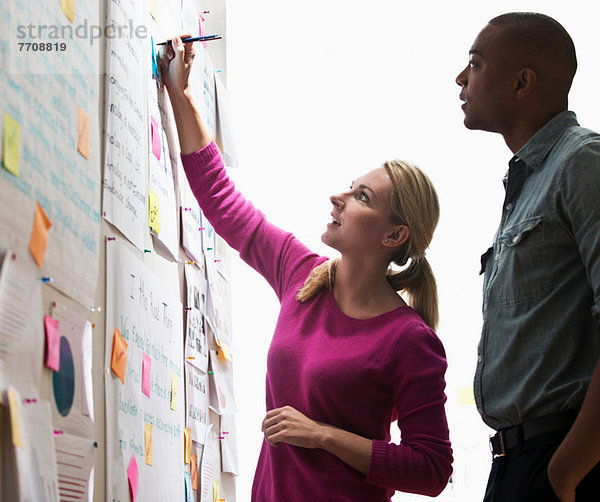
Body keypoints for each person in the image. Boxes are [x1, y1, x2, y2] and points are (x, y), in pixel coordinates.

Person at [160, 35, 452, 500]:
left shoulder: (410, 340)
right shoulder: (303, 275)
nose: (339, 197)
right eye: (351, 186)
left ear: (394, 235)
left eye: (362, 197)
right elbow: (222, 200)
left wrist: (323, 435)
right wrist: (180, 93)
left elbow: (431, 468)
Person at [456, 12, 600, 502]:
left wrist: (565, 473)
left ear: (522, 82)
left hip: (562, 460)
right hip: (517, 461)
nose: (460, 78)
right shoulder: (528, 182)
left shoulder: (582, 162)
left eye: (474, 64)